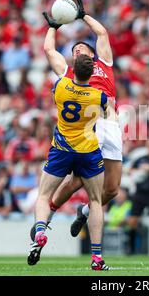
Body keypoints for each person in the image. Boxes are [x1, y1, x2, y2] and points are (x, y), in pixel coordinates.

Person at [34, 0, 122, 239]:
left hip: (111, 125)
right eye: (74, 50)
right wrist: (53, 28)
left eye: (81, 47)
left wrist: (83, 15)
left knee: (113, 189)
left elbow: (102, 33)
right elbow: (48, 50)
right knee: (75, 182)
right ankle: (48, 214)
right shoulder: (68, 73)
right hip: (87, 128)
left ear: (92, 53)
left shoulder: (104, 62)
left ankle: (83, 212)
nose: (77, 50)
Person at [27, 54, 109, 271]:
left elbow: (51, 56)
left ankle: (41, 231)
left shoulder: (61, 85)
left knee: (44, 196)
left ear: (73, 70)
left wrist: (53, 28)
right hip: (88, 151)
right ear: (92, 73)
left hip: (62, 149)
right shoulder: (98, 96)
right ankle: (97, 258)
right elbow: (105, 114)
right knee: (95, 202)